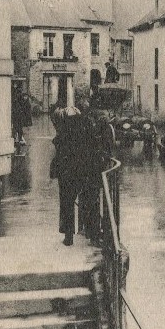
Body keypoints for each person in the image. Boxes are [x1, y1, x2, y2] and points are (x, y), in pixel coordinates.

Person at [51, 103, 108, 246]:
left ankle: (69, 236)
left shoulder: (63, 132)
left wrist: (56, 170)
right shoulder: (86, 127)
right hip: (86, 172)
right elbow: (96, 147)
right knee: (90, 203)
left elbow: (59, 152)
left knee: (67, 204)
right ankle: (93, 234)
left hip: (69, 174)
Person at [11, 84, 32, 150]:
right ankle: (18, 139)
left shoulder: (17, 100)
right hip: (18, 116)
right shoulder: (18, 100)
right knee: (18, 129)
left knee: (17, 128)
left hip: (17, 116)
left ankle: (18, 139)